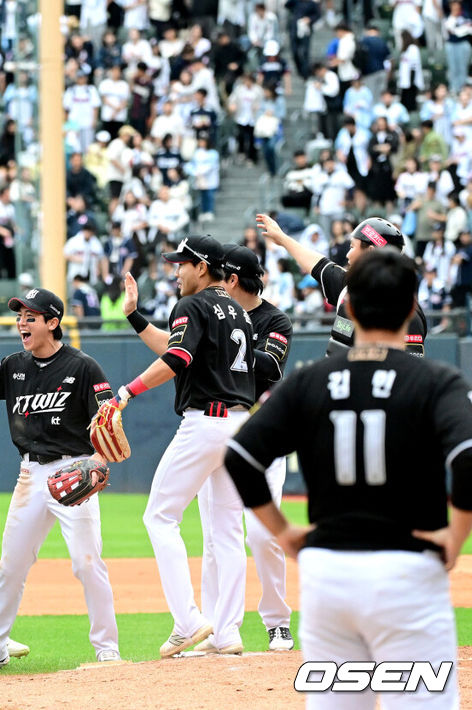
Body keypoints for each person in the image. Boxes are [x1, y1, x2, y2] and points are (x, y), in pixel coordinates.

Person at [224, 248, 472, 708]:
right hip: (409, 573)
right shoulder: (437, 382)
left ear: (349, 308)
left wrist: (284, 532)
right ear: (413, 305)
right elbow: (468, 460)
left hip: (328, 577)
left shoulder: (309, 380)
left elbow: (240, 456)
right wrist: (456, 537)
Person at [0, 288, 122, 669]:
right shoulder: (15, 365)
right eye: (20, 316)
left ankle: (107, 648)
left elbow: (108, 418)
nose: (22, 322)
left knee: (86, 562)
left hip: (73, 469)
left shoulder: (83, 366)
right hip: (30, 474)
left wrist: (95, 461)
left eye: (31, 316)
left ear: (53, 322)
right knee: (12, 564)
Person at [119, 235, 255, 656]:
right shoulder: (238, 311)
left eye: (182, 264)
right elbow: (179, 349)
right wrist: (136, 318)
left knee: (160, 517)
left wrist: (126, 391)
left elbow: (177, 359)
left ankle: (189, 620)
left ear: (202, 266)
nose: (175, 271)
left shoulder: (191, 305)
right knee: (229, 532)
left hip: (206, 423)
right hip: (240, 425)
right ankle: (227, 632)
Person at [196, 246, 295, 653]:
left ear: (232, 279)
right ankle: (214, 626)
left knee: (262, 533)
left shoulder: (274, 319)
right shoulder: (208, 313)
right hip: (217, 427)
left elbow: (270, 367)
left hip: (264, 434)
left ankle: (276, 621)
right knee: (214, 537)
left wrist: (217, 347)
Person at [257, 213, 428, 357]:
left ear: (369, 253)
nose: (347, 254)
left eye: (352, 247)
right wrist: (282, 238)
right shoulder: (350, 286)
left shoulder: (406, 311)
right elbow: (318, 264)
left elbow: (411, 377)